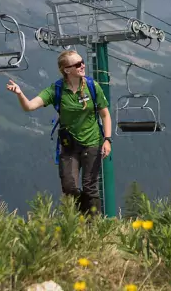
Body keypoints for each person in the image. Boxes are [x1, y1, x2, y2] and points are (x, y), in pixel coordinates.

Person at [6, 50, 112, 215]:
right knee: (69, 187)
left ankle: (94, 227)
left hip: (92, 142)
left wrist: (107, 139)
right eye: (77, 64)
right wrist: (20, 93)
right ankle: (82, 218)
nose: (82, 65)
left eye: (82, 62)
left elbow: (105, 114)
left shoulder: (92, 86)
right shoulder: (56, 89)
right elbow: (29, 106)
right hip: (69, 145)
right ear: (66, 70)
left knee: (90, 187)